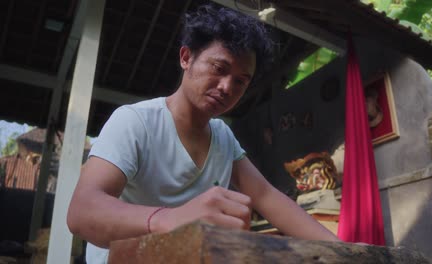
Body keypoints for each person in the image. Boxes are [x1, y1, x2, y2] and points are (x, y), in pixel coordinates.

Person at [67, 4, 340, 263]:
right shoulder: (135, 122)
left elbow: (266, 196)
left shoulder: (223, 137)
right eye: (219, 69)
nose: (226, 87)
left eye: (240, 81)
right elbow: (82, 211)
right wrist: (168, 220)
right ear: (186, 57)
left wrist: (340, 249)